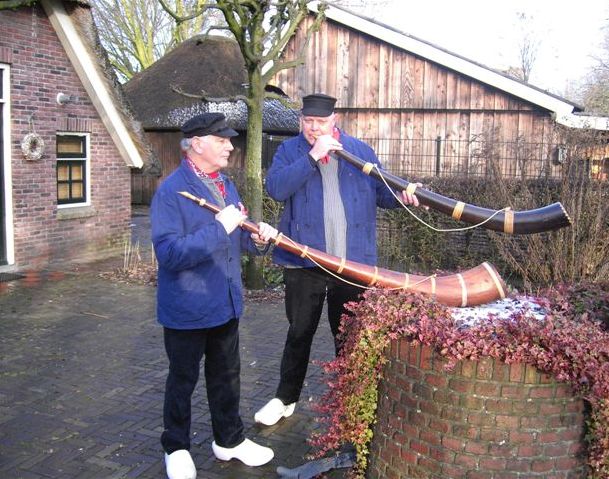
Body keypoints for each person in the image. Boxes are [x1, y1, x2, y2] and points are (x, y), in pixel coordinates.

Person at [254, 93, 420, 427]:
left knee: (348, 336)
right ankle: (285, 399)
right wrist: (312, 157)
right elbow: (276, 189)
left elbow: (383, 194)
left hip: (352, 264)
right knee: (299, 332)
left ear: (335, 120)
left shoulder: (360, 151)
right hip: (305, 262)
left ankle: (349, 402)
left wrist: (403, 196)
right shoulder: (291, 151)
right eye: (308, 122)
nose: (313, 129)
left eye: (320, 122)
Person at [151, 112, 278, 479]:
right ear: (198, 143)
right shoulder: (171, 191)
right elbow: (171, 255)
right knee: (182, 381)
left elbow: (235, 238)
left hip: (225, 303)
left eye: (229, 139)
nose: (230, 145)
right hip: (187, 308)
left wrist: (255, 239)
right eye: (221, 139)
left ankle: (229, 440)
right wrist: (219, 227)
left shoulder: (225, 185)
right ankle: (175, 447)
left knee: (227, 378)